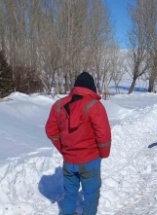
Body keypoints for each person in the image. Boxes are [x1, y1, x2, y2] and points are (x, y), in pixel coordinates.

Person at [45, 71, 112, 215]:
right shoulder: (95, 106)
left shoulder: (58, 105)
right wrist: (104, 153)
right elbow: (103, 135)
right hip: (90, 160)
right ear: (91, 87)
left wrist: (64, 149)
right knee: (91, 194)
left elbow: (51, 131)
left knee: (69, 194)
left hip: (69, 161)